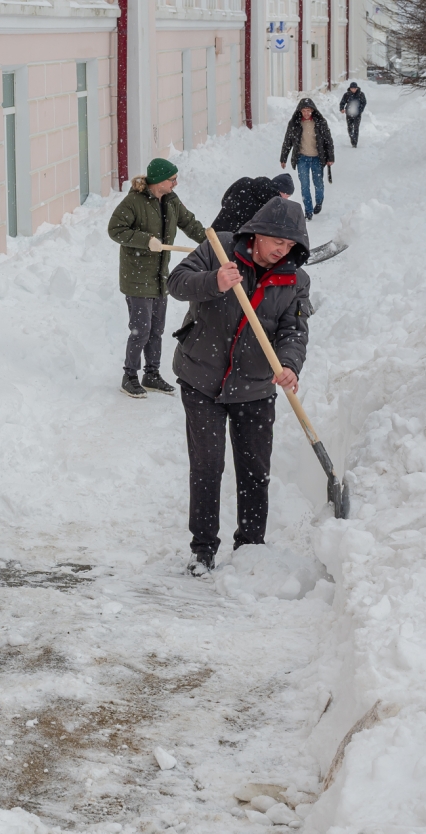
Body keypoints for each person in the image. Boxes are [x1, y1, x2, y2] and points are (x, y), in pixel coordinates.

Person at [167, 197, 312, 577]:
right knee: (207, 465)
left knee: (253, 469)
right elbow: (177, 283)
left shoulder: (295, 279)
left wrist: (289, 365)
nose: (281, 250)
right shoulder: (219, 250)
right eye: (275, 241)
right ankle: (203, 550)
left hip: (255, 385)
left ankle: (250, 547)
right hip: (202, 375)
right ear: (255, 234)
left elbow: (294, 331)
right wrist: (213, 281)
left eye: (289, 245)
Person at [107, 158, 207, 399]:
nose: (176, 183)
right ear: (159, 180)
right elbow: (115, 229)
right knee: (141, 330)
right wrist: (146, 240)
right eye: (172, 179)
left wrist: (211, 242)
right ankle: (129, 375)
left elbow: (189, 223)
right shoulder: (134, 202)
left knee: (156, 329)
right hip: (137, 276)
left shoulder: (171, 201)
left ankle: (151, 374)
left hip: (160, 276)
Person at [279, 98, 335, 220]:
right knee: (305, 185)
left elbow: (328, 141)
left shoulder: (320, 122)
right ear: (300, 111)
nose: (306, 113)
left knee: (318, 184)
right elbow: (287, 141)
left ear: (313, 110)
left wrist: (330, 157)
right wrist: (283, 158)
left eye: (308, 110)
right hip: (302, 158)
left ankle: (319, 202)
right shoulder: (295, 123)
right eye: (304, 110)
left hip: (317, 158)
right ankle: (308, 210)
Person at [209, 174, 293, 235]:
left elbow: (224, 200)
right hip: (235, 242)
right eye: (287, 196)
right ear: (282, 191)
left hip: (215, 231)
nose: (287, 199)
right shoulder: (273, 206)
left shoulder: (244, 181)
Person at [339, 82, 367, 148]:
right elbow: (342, 102)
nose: (353, 90)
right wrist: (341, 109)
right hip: (349, 114)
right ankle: (352, 139)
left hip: (357, 114)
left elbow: (364, 103)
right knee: (350, 127)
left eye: (355, 88)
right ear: (350, 88)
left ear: (357, 88)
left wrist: (360, 110)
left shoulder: (361, 94)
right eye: (352, 88)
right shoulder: (347, 94)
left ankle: (355, 142)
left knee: (356, 127)